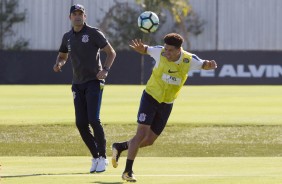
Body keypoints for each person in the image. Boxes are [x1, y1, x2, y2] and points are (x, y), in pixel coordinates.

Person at [112, 33, 217, 182]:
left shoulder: (188, 59)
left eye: (170, 50)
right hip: (150, 97)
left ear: (179, 50)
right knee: (141, 135)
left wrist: (210, 65)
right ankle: (128, 171)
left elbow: (203, 64)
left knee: (149, 141)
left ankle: (120, 146)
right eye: (165, 49)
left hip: (167, 103)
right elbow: (146, 49)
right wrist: (141, 49)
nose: (166, 52)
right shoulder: (159, 51)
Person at [53, 4, 116, 173]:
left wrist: (105, 70)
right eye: (75, 14)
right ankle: (95, 156)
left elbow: (111, 52)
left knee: (93, 120)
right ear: (70, 17)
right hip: (77, 83)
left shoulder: (93, 33)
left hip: (94, 81)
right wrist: (59, 63)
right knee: (81, 123)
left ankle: (103, 157)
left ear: (85, 16)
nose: (77, 16)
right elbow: (63, 55)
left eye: (80, 14)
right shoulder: (67, 37)